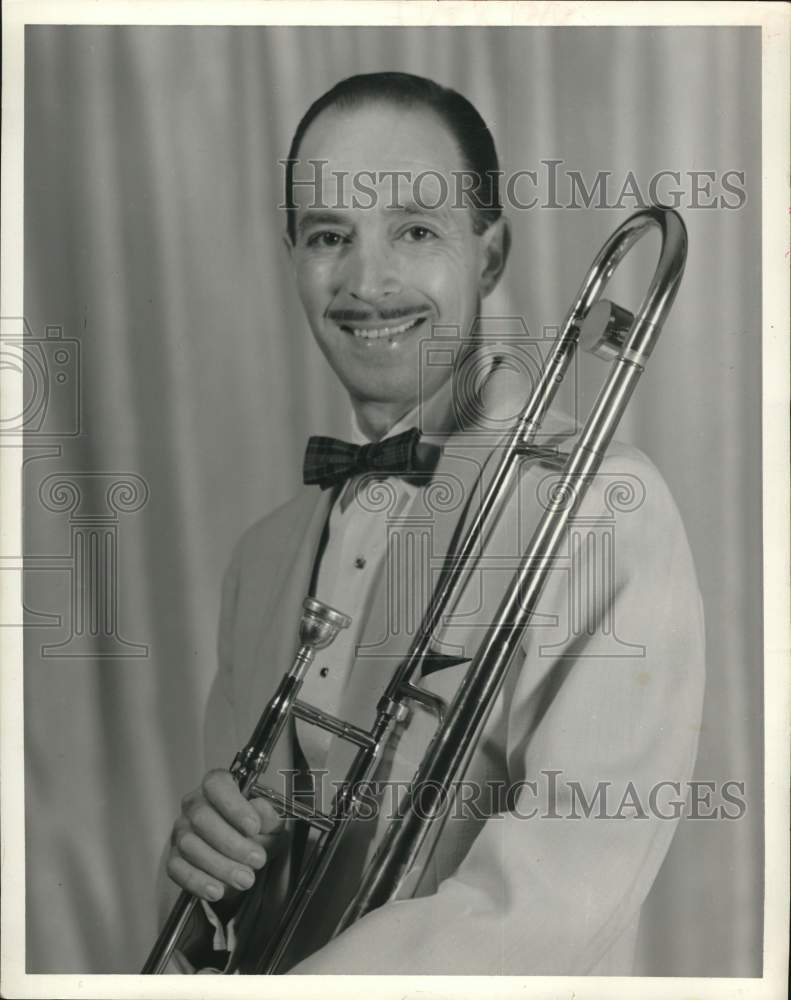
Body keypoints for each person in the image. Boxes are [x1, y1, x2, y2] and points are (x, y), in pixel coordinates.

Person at [156, 72, 705, 975]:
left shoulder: (605, 504)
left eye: (415, 230)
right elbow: (230, 902)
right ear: (292, 253)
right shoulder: (261, 557)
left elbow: (560, 893)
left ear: (489, 254)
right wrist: (207, 887)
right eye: (330, 235)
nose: (367, 282)